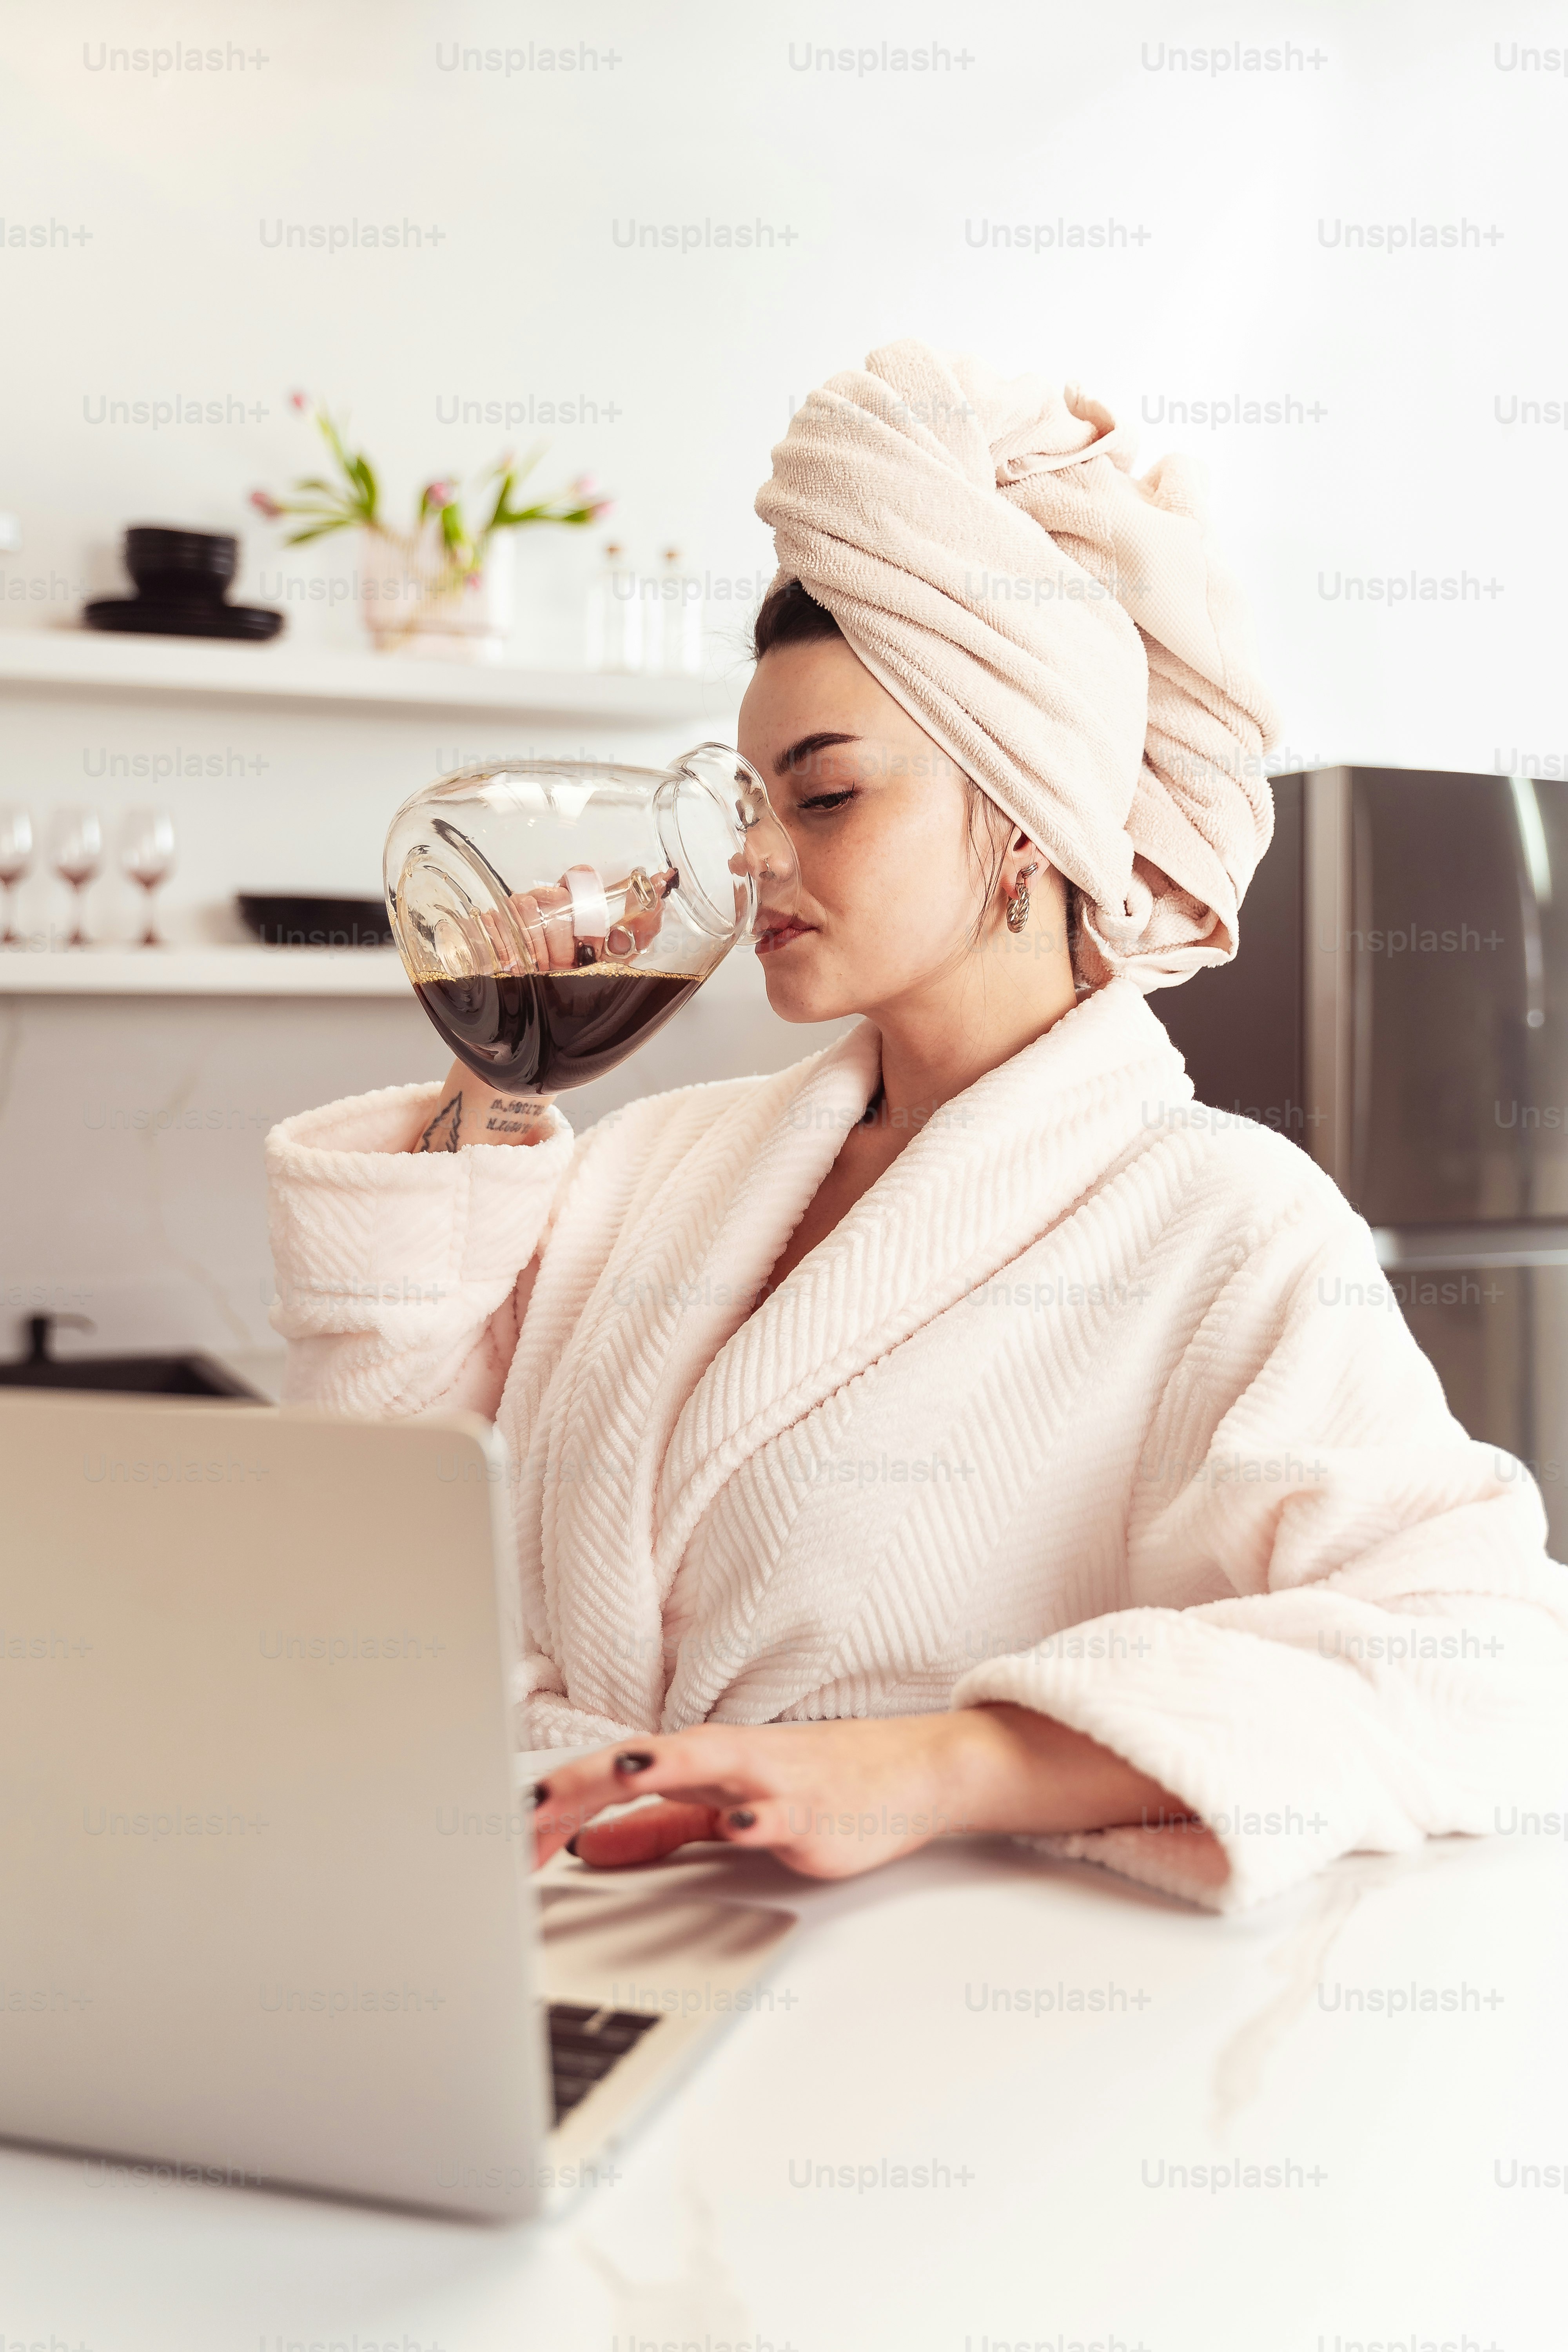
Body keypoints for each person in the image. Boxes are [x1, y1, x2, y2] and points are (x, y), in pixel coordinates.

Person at [267, 340, 1568, 1913]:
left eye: (823, 799)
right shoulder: (665, 1164)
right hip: (537, 1922)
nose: (753, 866)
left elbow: (1484, 1654)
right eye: (743, 812)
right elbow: (387, 1508)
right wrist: (496, 1077)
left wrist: (934, 1764)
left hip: (908, 1996)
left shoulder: (1220, 1220)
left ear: (1024, 815)